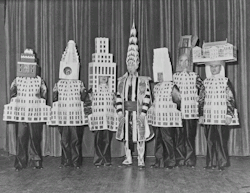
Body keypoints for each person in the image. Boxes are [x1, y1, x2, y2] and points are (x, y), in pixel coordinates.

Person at [3, 49, 51, 171]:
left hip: (35, 114)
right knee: (21, 138)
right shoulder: (17, 80)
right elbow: (13, 93)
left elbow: (44, 95)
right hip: (21, 114)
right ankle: (20, 162)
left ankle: (35, 162)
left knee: (35, 138)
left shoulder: (39, 80)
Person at [116, 22, 153, 169]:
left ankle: (141, 158)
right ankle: (128, 157)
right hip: (126, 112)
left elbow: (147, 97)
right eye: (129, 63)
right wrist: (119, 113)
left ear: (138, 64)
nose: (131, 66)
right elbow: (118, 97)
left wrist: (143, 113)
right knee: (127, 137)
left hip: (137, 111)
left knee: (140, 136)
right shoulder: (121, 81)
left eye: (133, 63)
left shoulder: (143, 81)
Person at [50, 40, 87, 169]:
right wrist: (55, 93)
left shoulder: (79, 83)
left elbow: (83, 98)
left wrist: (84, 91)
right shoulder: (59, 83)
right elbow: (55, 99)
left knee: (75, 140)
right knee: (65, 140)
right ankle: (66, 160)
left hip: (75, 116)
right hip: (63, 115)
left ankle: (76, 161)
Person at [198, 60, 239, 171]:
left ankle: (222, 163)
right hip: (209, 115)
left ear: (220, 67)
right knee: (210, 140)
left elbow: (230, 99)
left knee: (221, 140)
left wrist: (229, 115)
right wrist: (201, 114)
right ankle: (211, 162)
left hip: (221, 116)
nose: (214, 68)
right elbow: (201, 99)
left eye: (216, 66)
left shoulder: (225, 81)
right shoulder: (205, 82)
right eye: (212, 66)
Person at [148, 47, 182, 169]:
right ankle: (159, 161)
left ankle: (171, 161)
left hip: (167, 118)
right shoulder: (156, 87)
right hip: (157, 118)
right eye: (158, 74)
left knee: (168, 140)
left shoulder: (172, 86)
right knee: (158, 140)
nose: (160, 76)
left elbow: (178, 101)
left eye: (162, 74)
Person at [173, 53, 204, 168]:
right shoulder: (174, 77)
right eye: (182, 60)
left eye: (187, 61)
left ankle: (190, 159)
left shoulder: (195, 76)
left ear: (189, 62)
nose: (184, 63)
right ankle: (180, 159)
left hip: (191, 112)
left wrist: (200, 110)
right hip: (178, 113)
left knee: (190, 136)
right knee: (179, 136)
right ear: (179, 62)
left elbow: (202, 92)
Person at [86, 76, 117, 167]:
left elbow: (116, 102)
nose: (104, 78)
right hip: (97, 119)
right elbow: (88, 103)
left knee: (107, 140)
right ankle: (98, 160)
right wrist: (89, 116)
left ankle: (107, 160)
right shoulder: (93, 89)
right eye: (101, 76)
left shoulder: (112, 89)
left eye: (105, 76)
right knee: (98, 139)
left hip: (108, 118)